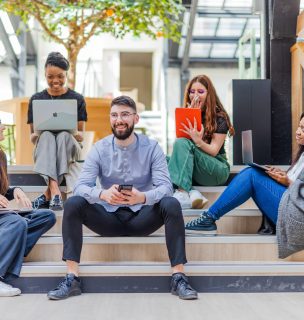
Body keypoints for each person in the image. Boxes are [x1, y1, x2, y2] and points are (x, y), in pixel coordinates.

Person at [47, 95, 197, 300]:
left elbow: (166, 188)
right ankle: (72, 278)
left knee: (171, 203)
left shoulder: (152, 148)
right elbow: (80, 186)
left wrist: (142, 198)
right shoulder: (99, 148)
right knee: (74, 203)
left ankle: (178, 277)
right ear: (110, 119)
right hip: (107, 219)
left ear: (135, 119)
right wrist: (102, 194)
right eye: (115, 115)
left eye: (125, 114)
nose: (119, 119)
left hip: (142, 218)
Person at [185, 113, 304, 234]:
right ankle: (209, 218)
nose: (298, 131)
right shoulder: (302, 155)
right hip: (289, 205)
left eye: (303, 129)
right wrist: (282, 175)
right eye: (299, 126)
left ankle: (208, 218)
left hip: (297, 216)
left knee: (251, 175)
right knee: (253, 172)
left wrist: (288, 181)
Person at [0, 121, 56, 297]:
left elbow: (3, 191)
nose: (3, 128)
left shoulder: (1, 155)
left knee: (47, 216)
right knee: (17, 222)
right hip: (6, 219)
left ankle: (12, 247)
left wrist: (16, 190)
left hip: (3, 215)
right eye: (0, 124)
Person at [27, 52, 88, 211]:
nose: (55, 81)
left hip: (69, 147)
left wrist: (71, 131)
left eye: (60, 76)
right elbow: (33, 137)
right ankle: (55, 191)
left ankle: (48, 193)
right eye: (50, 76)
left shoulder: (77, 99)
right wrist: (41, 131)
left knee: (63, 136)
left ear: (67, 74)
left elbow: (81, 137)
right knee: (46, 136)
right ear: (44, 75)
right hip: (44, 147)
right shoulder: (36, 99)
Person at [168, 75, 234, 209]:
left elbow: (214, 150)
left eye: (200, 91)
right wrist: (191, 115)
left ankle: (182, 191)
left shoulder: (220, 117)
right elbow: (182, 152)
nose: (195, 95)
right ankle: (192, 191)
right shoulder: (188, 113)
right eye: (192, 92)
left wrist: (198, 141)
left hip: (216, 170)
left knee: (181, 143)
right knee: (162, 159)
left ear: (209, 94)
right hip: (197, 170)